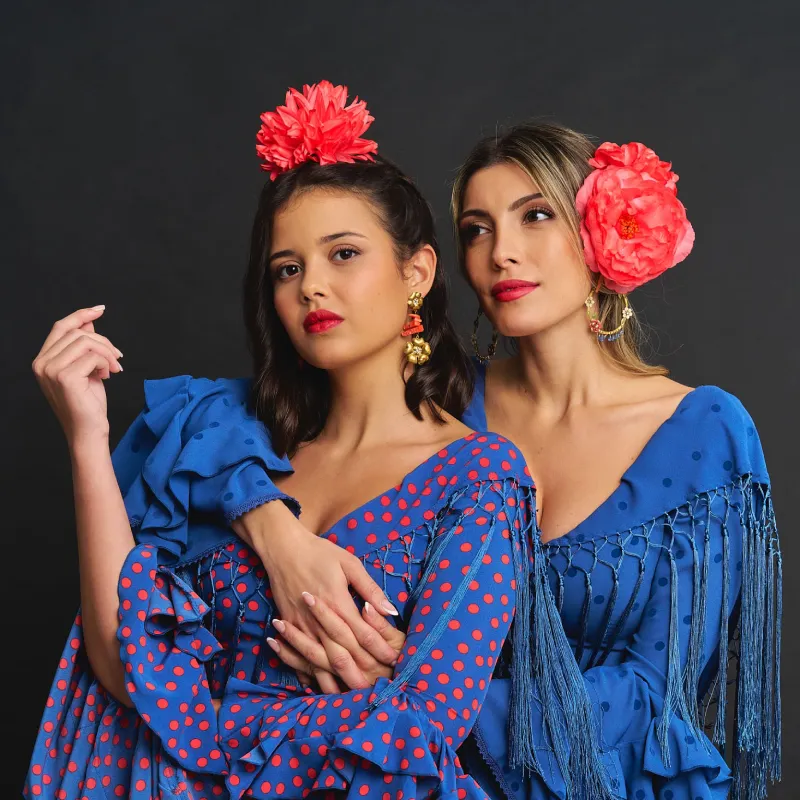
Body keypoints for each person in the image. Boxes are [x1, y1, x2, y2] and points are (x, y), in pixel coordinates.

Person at [164, 123, 783, 800]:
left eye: (534, 216)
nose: (500, 252)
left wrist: (425, 692)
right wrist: (273, 530)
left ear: (602, 230)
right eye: (477, 229)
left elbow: (659, 691)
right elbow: (226, 417)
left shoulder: (702, 430)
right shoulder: (446, 397)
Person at [26, 84, 592, 800]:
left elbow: (424, 725)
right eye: (287, 269)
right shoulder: (233, 451)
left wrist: (204, 725)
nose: (311, 288)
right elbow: (121, 666)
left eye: (343, 254)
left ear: (416, 272)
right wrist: (87, 435)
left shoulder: (478, 476)